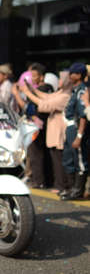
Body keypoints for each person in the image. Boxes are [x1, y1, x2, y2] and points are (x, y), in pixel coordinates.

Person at [20, 70, 72, 197]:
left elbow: (45, 104)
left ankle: (62, 185)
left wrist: (26, 92)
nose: (58, 81)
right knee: (55, 157)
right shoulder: (61, 92)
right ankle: (59, 185)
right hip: (54, 130)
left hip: (60, 130)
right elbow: (47, 97)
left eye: (61, 79)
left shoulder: (66, 95)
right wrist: (32, 89)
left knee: (59, 159)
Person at [59, 63, 88, 200]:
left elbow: (83, 116)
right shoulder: (75, 90)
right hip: (70, 128)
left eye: (73, 73)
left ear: (80, 75)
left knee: (80, 160)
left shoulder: (82, 91)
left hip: (77, 128)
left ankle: (78, 191)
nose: (70, 75)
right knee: (68, 159)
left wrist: (80, 136)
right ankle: (71, 188)